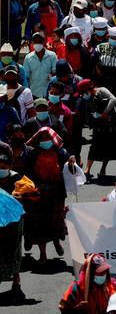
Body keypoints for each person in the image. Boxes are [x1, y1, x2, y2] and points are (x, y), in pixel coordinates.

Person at [23, 127, 69, 263]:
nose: (45, 141)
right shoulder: (33, 155)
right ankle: (43, 254)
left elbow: (68, 171)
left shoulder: (61, 153)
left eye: (48, 138)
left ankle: (56, 243)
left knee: (55, 222)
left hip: (56, 194)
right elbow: (28, 174)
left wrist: (72, 163)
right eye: (42, 139)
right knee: (40, 225)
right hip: (38, 194)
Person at [77, 79, 116, 179]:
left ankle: (103, 169)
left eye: (83, 92)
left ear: (87, 90)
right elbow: (90, 113)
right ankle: (87, 170)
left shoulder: (102, 90)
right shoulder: (87, 100)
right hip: (98, 125)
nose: (83, 95)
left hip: (111, 124)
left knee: (108, 148)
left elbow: (113, 99)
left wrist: (105, 112)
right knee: (94, 147)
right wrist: (97, 117)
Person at [0, 147, 27, 303]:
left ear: (9, 167)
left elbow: (33, 193)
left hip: (14, 222)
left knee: (14, 249)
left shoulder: (18, 178)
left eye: (4, 168)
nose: (1, 170)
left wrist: (19, 195)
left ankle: (16, 279)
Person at [23, 32, 58, 99]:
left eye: (40, 41)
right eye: (35, 42)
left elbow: (55, 73)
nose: (37, 43)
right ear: (32, 43)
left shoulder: (52, 55)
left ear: (44, 42)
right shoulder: (28, 57)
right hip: (34, 93)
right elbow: (26, 76)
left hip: (49, 93)